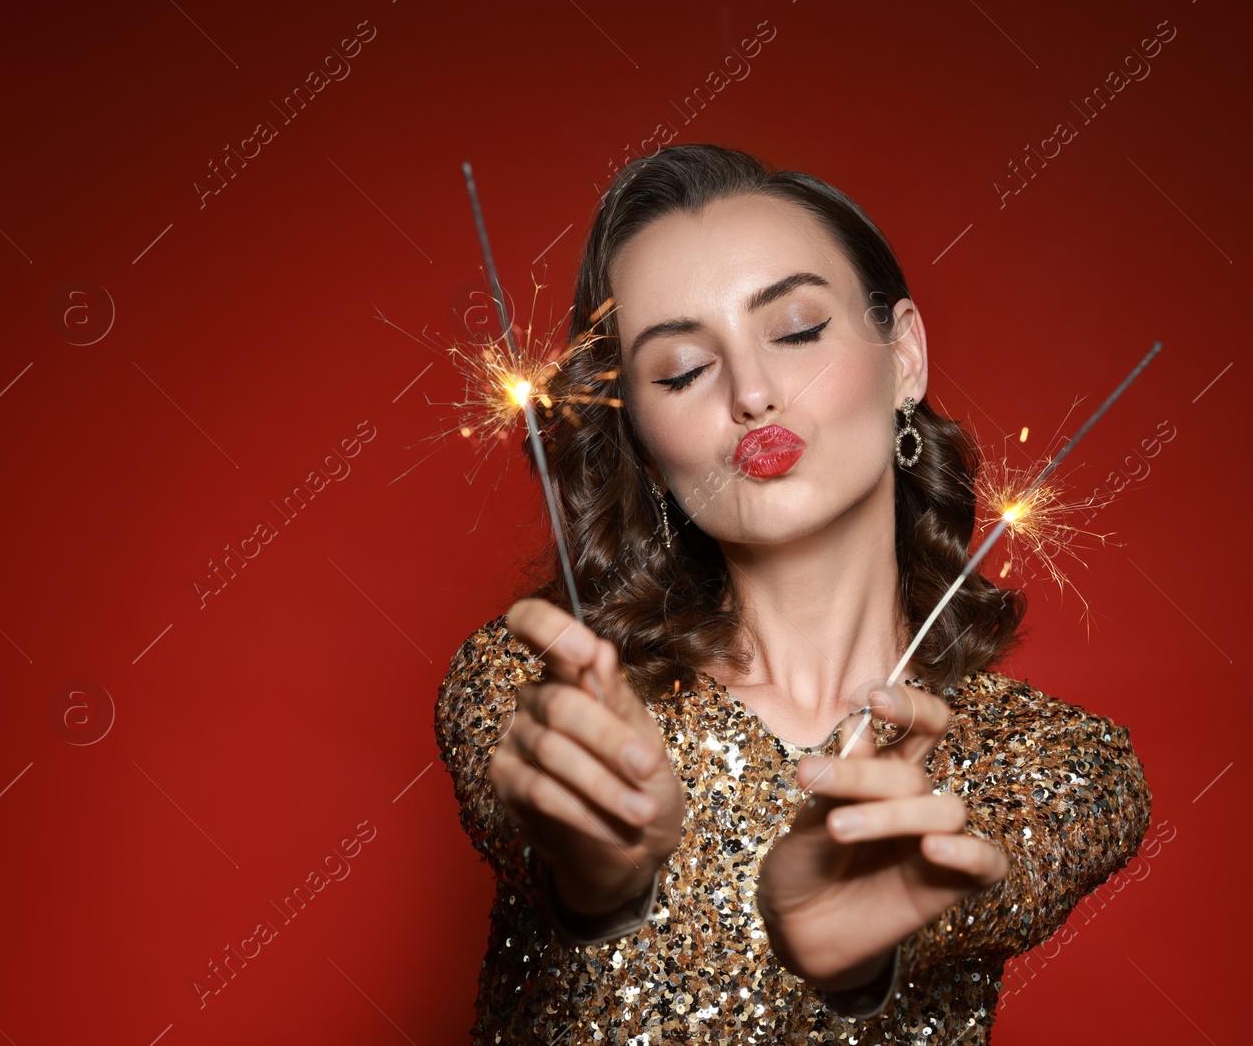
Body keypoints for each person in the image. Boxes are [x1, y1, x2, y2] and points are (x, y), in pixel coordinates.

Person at [434, 143, 1152, 1044]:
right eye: (682, 369)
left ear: (906, 357)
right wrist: (597, 878)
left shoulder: (1055, 756)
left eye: (799, 330)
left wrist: (863, 954)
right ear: (643, 444)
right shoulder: (542, 682)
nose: (753, 392)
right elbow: (541, 829)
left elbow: (999, 876)